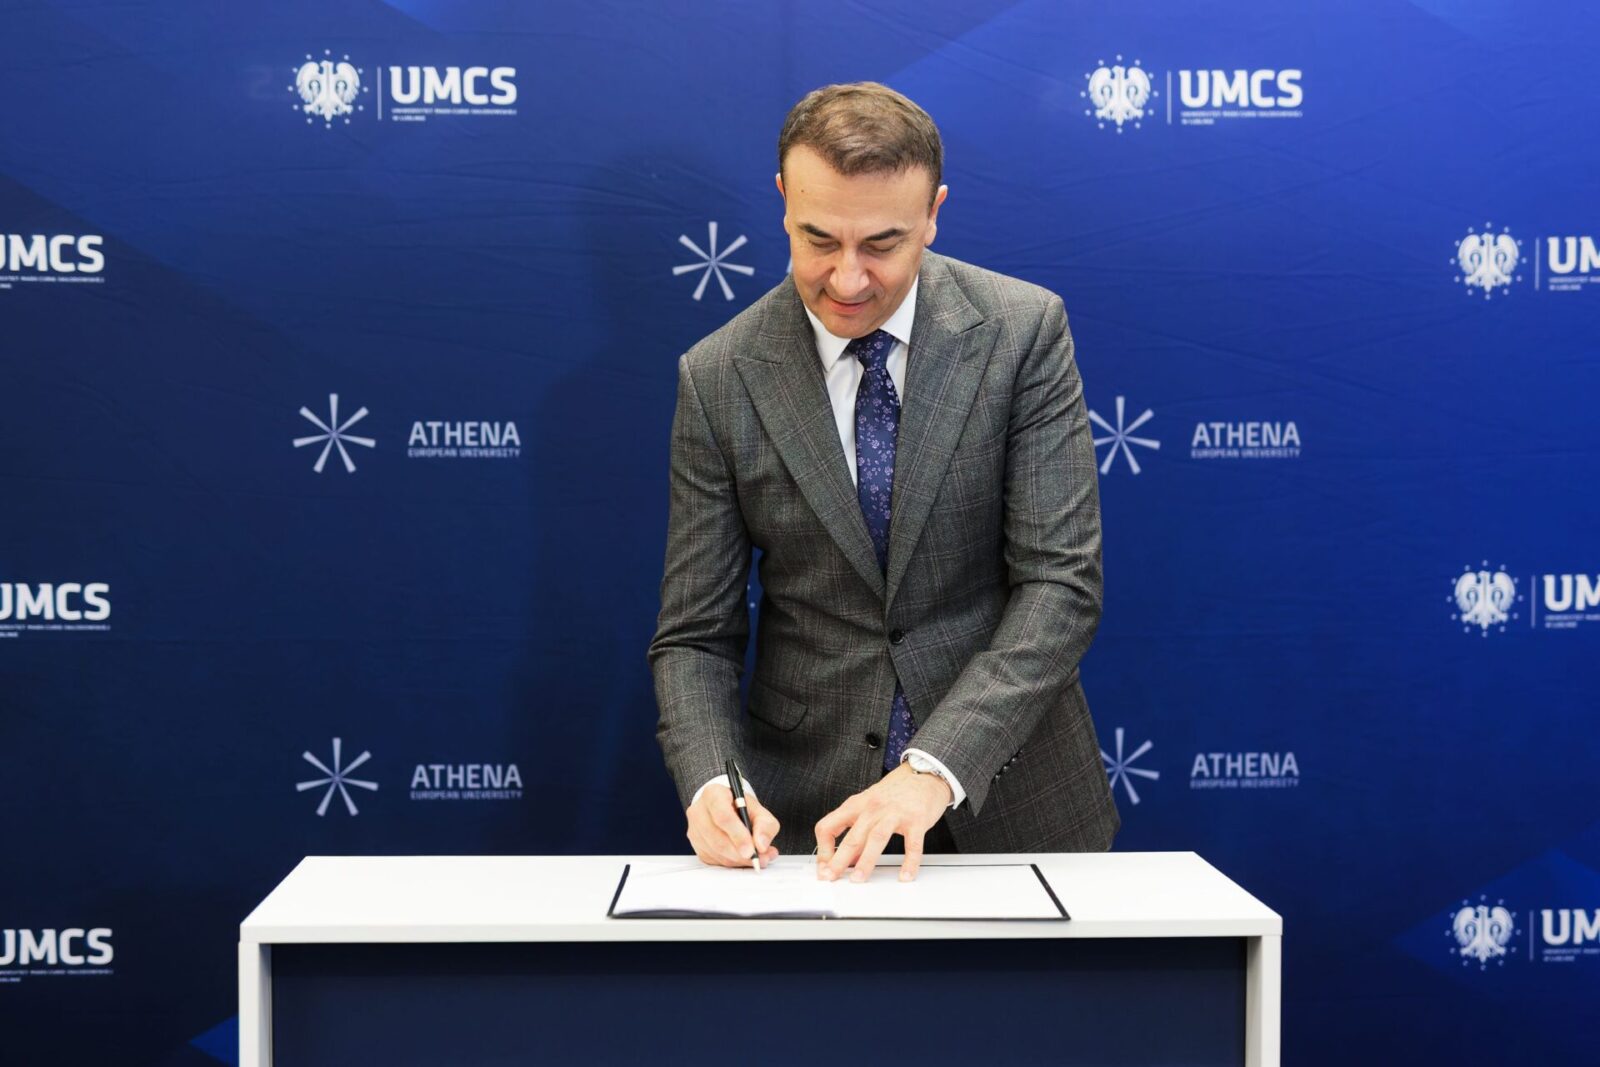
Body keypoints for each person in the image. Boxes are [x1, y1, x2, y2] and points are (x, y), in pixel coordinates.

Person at [649, 82, 1118, 885]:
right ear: (783, 201)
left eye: (883, 244)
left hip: (1015, 796)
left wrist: (934, 766)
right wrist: (708, 780)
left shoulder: (1023, 332)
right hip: (807, 824)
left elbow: (1061, 585)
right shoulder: (719, 374)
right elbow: (696, 635)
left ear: (934, 213)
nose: (847, 278)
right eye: (818, 239)